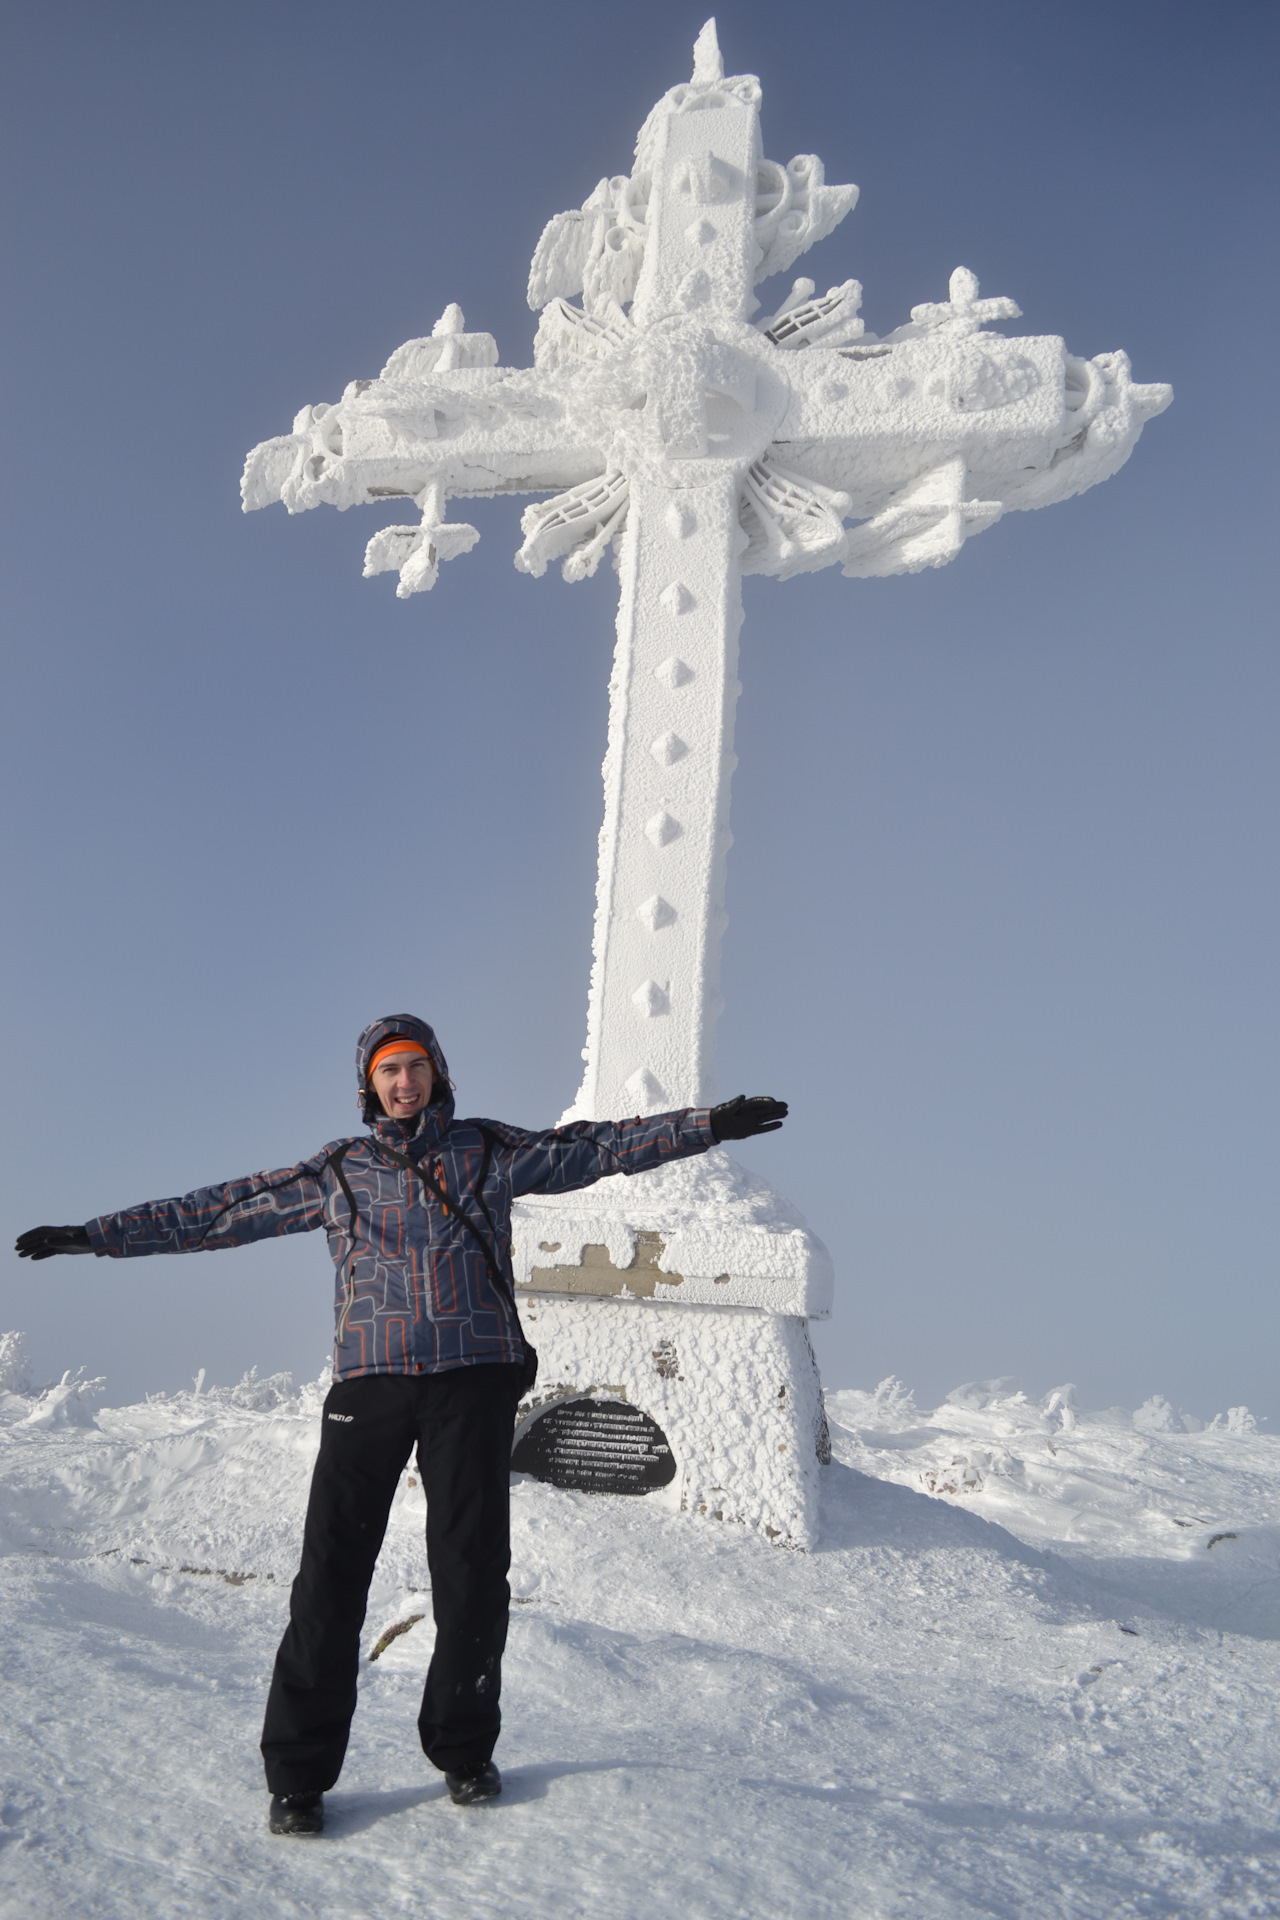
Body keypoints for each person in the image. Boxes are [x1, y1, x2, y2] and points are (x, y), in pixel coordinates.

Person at [15, 1013, 787, 1835]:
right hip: (371, 1386)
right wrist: (98, 1237)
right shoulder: (338, 1171)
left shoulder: (489, 1151)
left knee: (471, 1576)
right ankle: (298, 1778)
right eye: (388, 1071)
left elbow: (598, 1148)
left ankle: (464, 1751)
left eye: (415, 1066)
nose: (403, 1082)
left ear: (438, 1074)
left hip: (471, 1382)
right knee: (329, 1580)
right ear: (369, 1087)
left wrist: (706, 1126)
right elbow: (219, 1212)